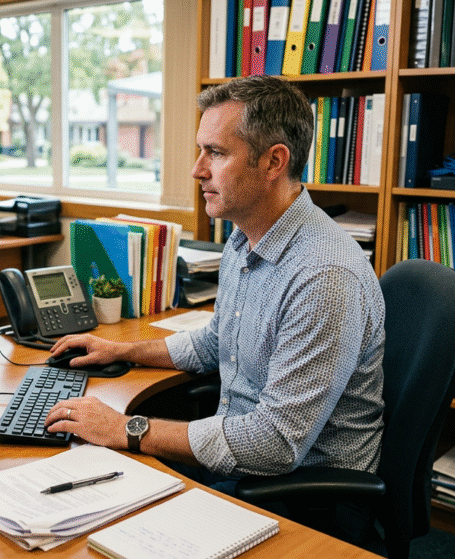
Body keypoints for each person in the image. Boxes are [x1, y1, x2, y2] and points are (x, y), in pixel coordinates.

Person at [43, 75, 386, 546]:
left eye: (216, 153)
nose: (197, 170)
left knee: (97, 531)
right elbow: (216, 340)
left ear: (274, 161)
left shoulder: (324, 276)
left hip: (305, 500)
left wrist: (128, 427)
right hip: (244, 468)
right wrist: (117, 349)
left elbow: (276, 444)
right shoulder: (245, 236)